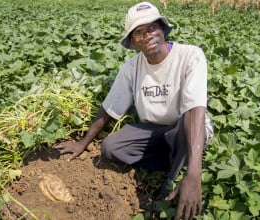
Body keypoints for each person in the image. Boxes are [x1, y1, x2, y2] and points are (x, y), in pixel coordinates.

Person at [56, 1, 213, 219]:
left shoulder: (190, 56)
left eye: (152, 28)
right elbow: (109, 108)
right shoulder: (132, 67)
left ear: (162, 28)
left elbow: (196, 109)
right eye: (138, 32)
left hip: (187, 126)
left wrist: (194, 175)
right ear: (132, 41)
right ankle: (173, 158)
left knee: (185, 127)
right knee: (111, 147)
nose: (147, 35)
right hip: (154, 130)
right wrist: (84, 142)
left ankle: (172, 182)